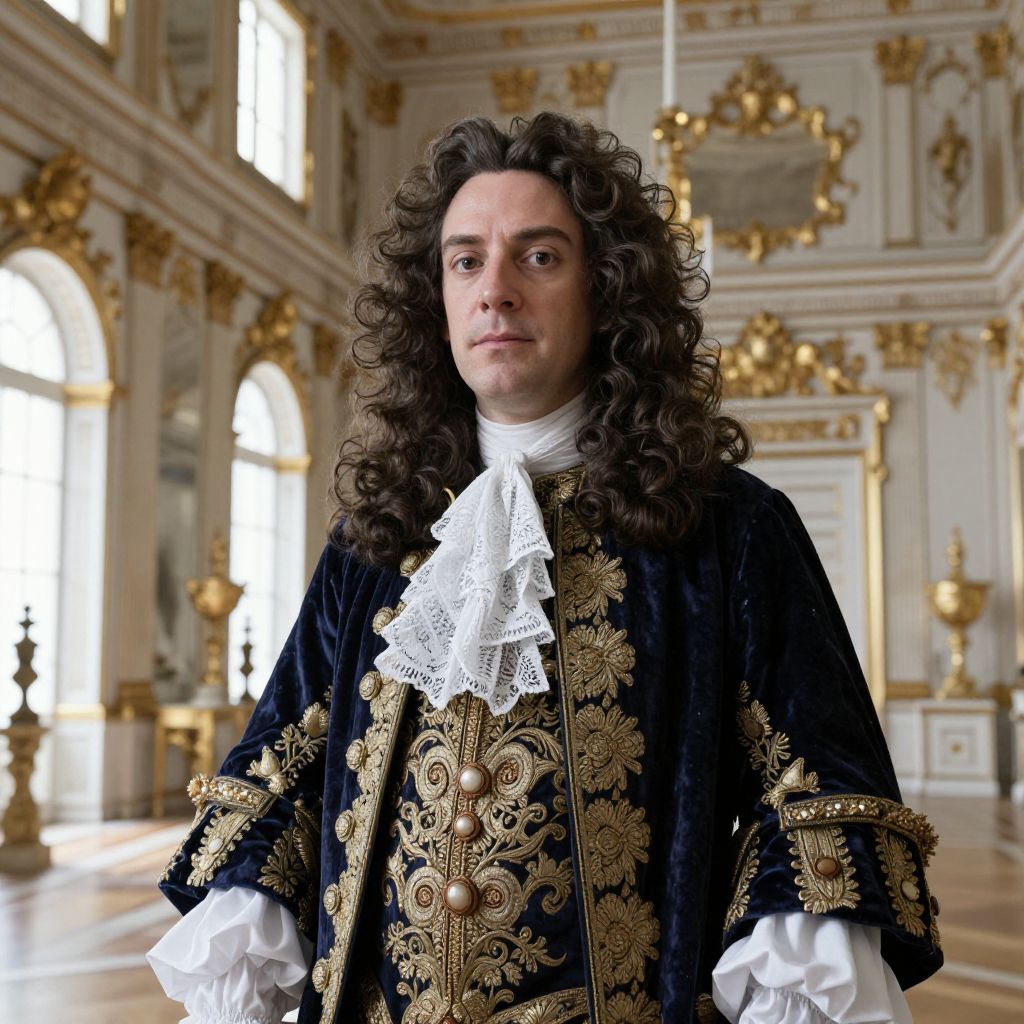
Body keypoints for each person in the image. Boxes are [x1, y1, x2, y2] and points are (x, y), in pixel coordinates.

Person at [148, 113, 942, 1024]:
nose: (495, 291)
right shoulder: (379, 535)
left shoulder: (733, 529)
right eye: (465, 261)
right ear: (435, 302)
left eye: (539, 257)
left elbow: (817, 805)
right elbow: (281, 779)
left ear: (606, 290)